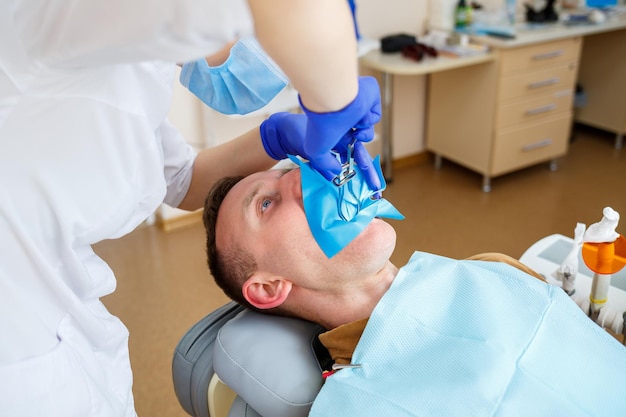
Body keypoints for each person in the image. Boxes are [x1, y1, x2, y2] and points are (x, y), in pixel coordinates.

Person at [0, 1, 383, 416]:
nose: (298, 176)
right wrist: (335, 102)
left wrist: (276, 138)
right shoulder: (59, 18)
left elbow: (178, 180)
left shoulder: (133, 68)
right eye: (266, 204)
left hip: (70, 325)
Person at [203, 168, 626, 417]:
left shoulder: (494, 268)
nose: (302, 177)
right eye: (266, 204)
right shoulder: (353, 404)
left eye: (290, 168)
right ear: (268, 287)